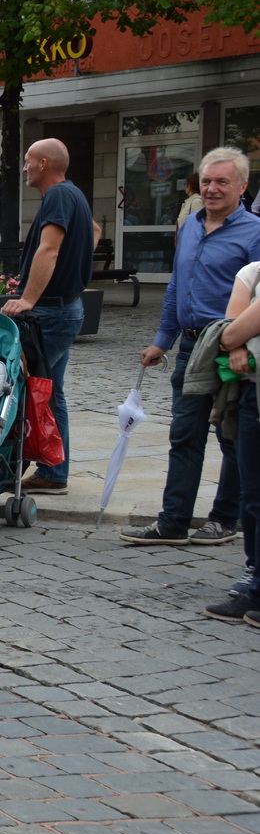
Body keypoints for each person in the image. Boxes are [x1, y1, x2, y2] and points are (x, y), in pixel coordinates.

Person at [122, 147, 258, 537]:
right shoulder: (192, 226)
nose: (212, 189)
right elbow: (177, 286)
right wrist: (162, 340)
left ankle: (224, 519)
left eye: (222, 182)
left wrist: (239, 347)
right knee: (184, 435)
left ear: (243, 186)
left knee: (232, 438)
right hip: (190, 348)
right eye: (206, 182)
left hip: (233, 350)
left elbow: (259, 299)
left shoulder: (255, 233)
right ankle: (173, 522)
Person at [0, 138, 97, 494]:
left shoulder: (57, 196)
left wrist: (27, 299)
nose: (23, 167)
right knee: (51, 393)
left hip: (52, 311)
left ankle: (5, 469)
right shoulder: (75, 195)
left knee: (25, 391)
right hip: (65, 307)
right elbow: (94, 233)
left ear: (43, 164)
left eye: (27, 161)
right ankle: (54, 473)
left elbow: (49, 248)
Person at [207, 255, 260, 623]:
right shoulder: (253, 271)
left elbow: (231, 331)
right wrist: (238, 343)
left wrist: (236, 337)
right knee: (254, 495)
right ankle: (254, 578)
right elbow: (228, 332)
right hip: (253, 394)